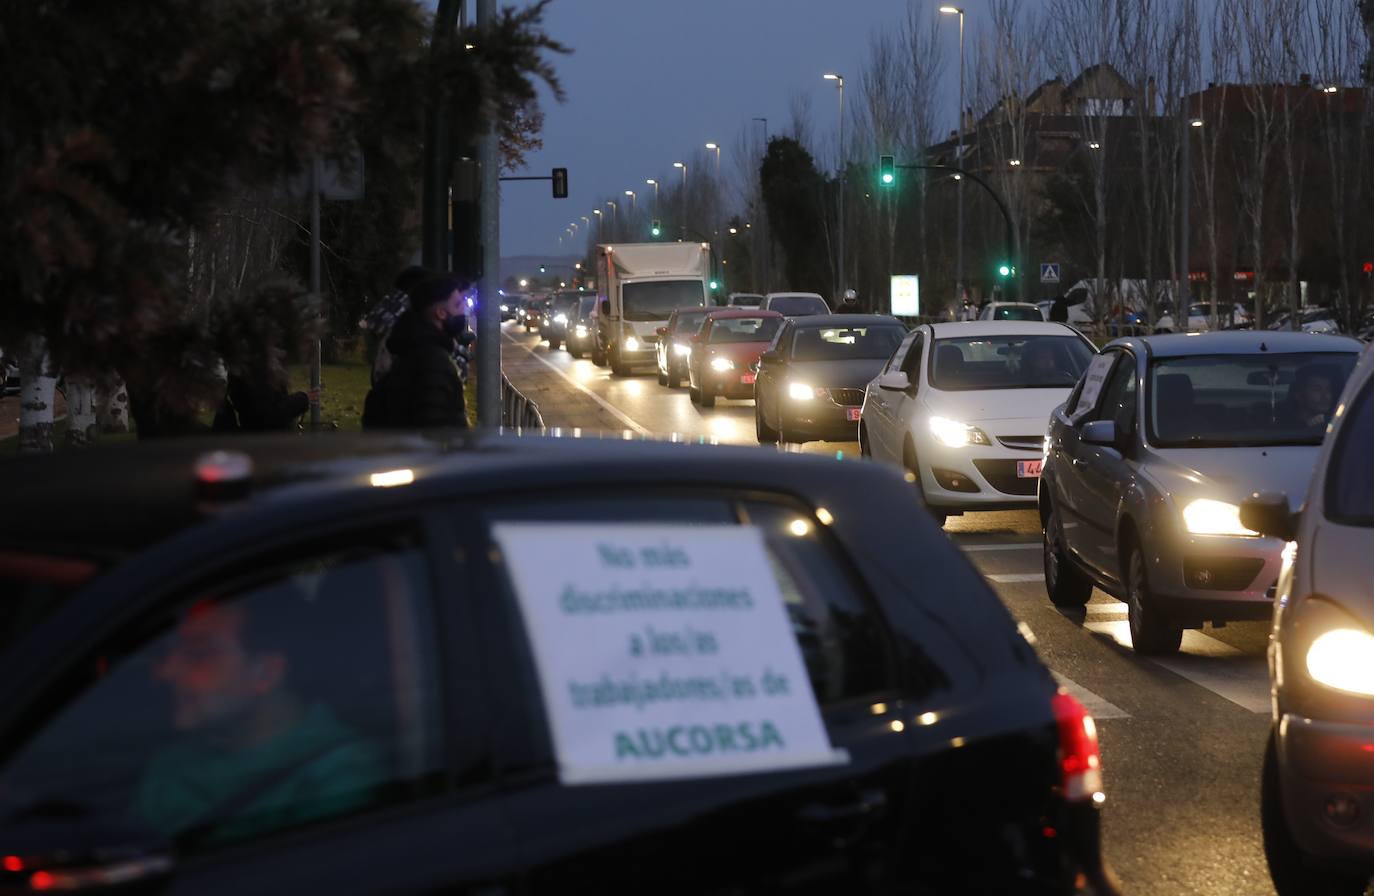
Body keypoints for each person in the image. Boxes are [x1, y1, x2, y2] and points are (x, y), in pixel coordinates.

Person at [135, 596, 383, 845]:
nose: (167, 671)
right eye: (170, 653)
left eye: (199, 655)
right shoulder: (172, 763)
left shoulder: (335, 775)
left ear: (266, 673)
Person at [362, 275, 470, 429]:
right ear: (441, 313)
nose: (463, 310)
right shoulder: (433, 363)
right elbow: (433, 430)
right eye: (458, 304)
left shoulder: (412, 350)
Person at [363, 266, 431, 386]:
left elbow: (372, 325)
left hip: (382, 381)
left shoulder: (389, 304)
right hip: (400, 385)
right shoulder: (409, 310)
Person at [1280, 366, 1339, 430]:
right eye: (1317, 389)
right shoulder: (1285, 428)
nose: (1325, 396)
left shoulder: (1337, 422)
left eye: (1328, 389)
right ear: (1299, 395)